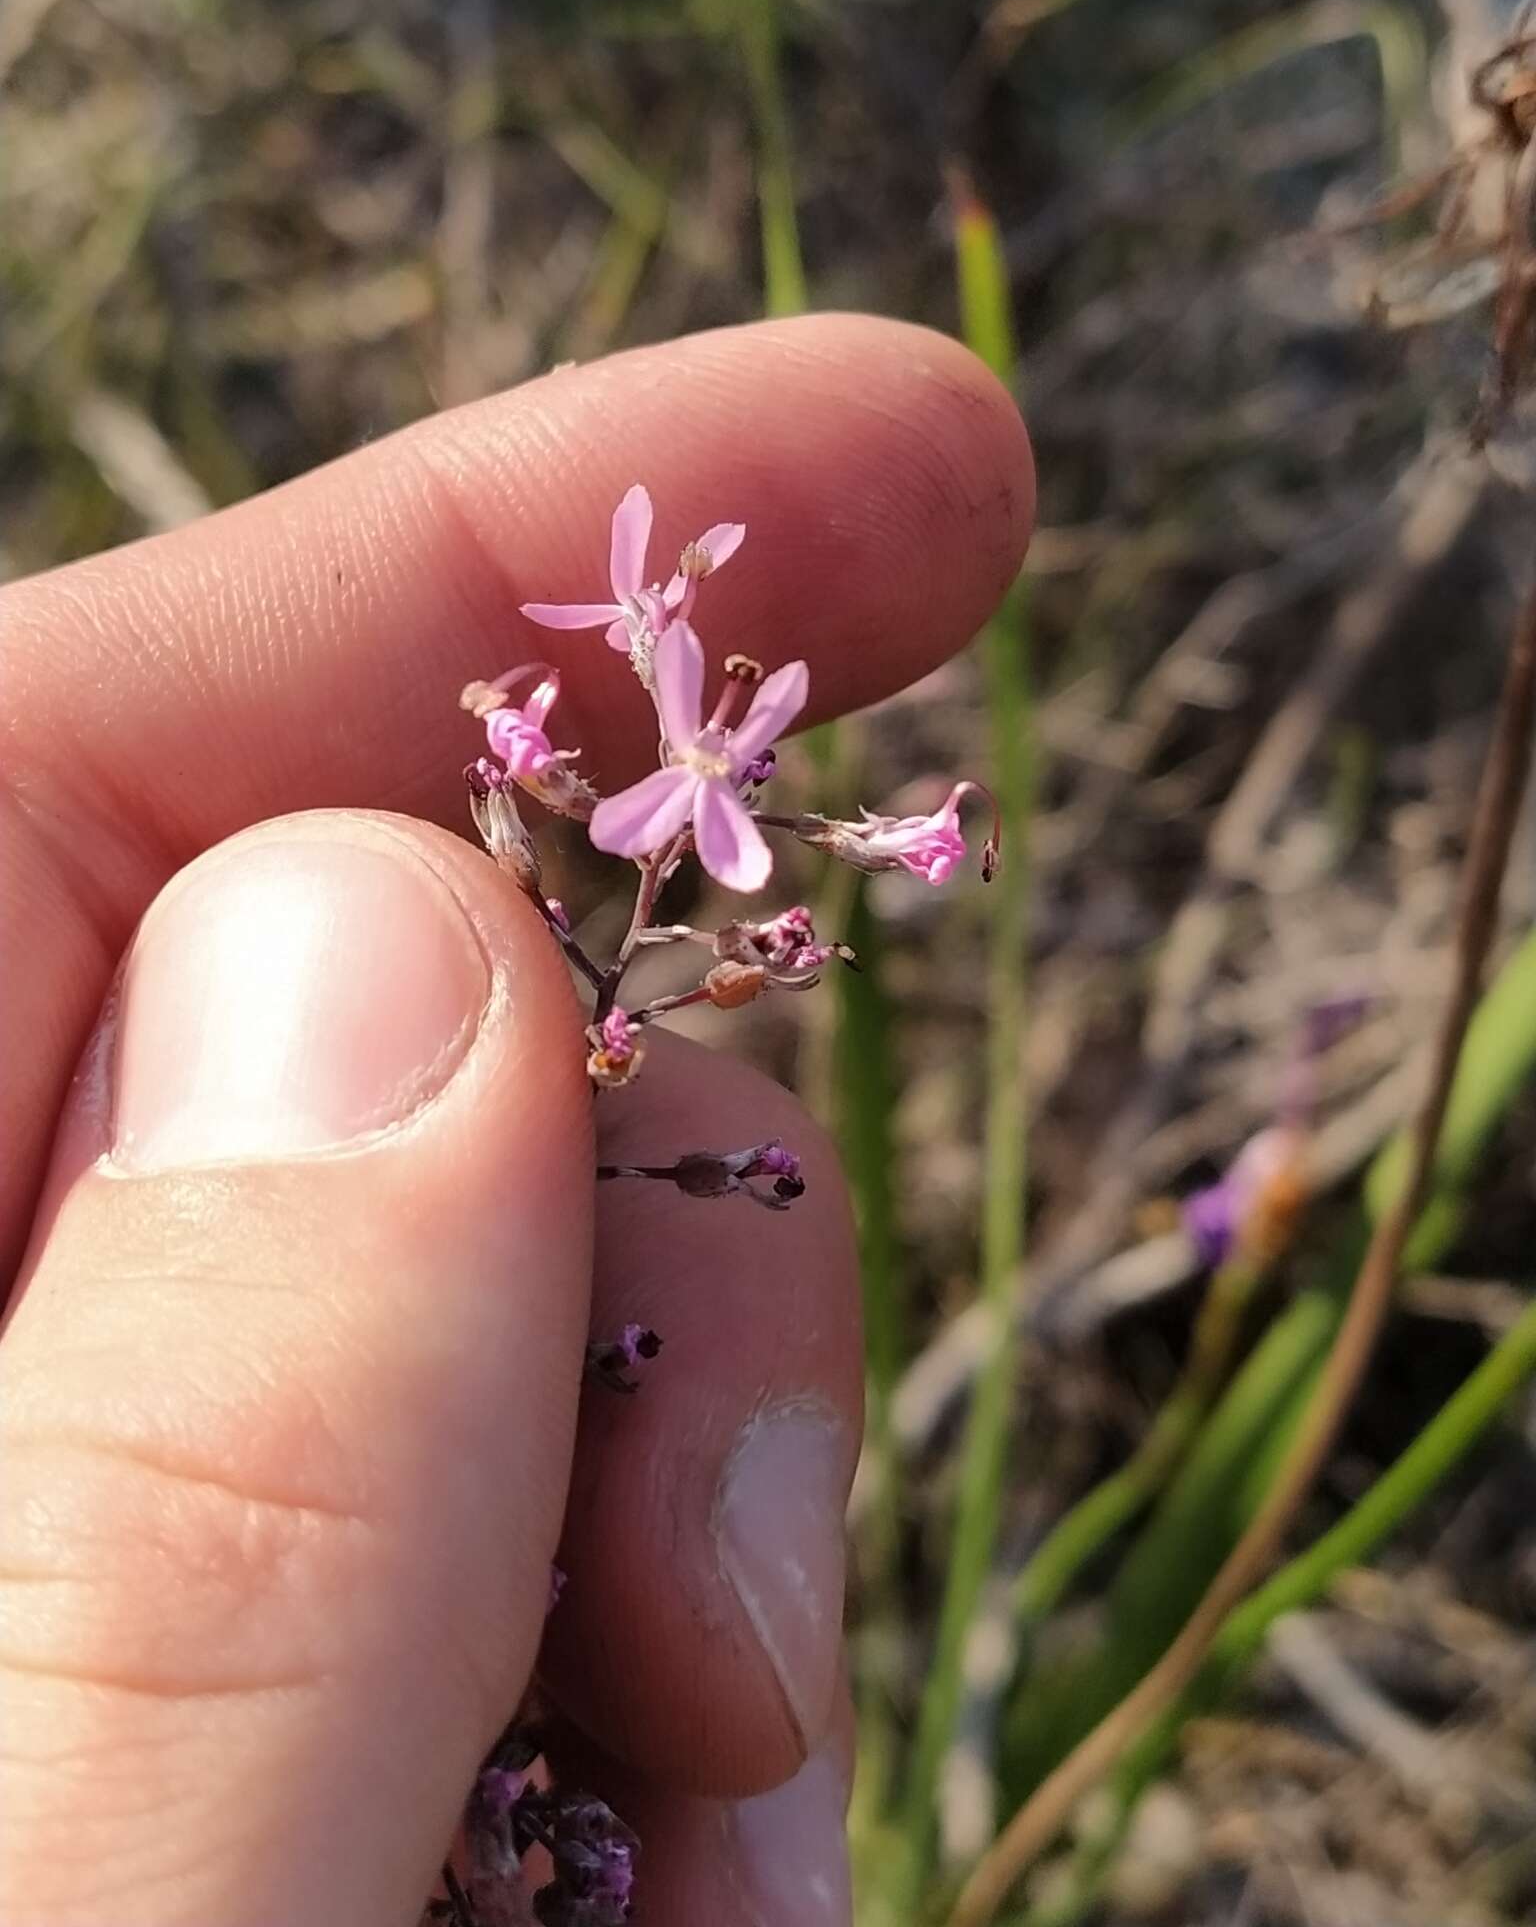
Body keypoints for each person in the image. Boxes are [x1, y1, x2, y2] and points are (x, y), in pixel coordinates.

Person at [0, 314, 1033, 1925]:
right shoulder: (635, 801)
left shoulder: (690, 817)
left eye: (717, 731)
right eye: (691, 711)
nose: (702, 738)